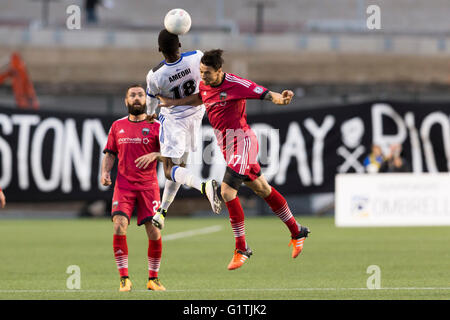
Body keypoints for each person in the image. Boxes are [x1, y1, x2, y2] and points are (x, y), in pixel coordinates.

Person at [157, 49, 310, 270]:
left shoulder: (235, 84)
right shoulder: (204, 83)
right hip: (226, 145)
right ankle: (297, 231)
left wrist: (280, 99)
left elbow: (265, 93)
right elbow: (201, 97)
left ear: (219, 71)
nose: (203, 77)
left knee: (227, 191)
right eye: (201, 72)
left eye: (207, 73)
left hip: (242, 140)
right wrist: (174, 102)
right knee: (262, 188)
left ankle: (242, 248)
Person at [146, 29, 221, 230]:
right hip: (196, 118)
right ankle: (162, 211)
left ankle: (204, 186)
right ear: (179, 45)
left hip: (173, 122)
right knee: (180, 169)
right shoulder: (196, 57)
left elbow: (151, 102)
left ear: (159, 49)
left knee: (170, 170)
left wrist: (150, 114)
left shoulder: (155, 75)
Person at [101, 84, 165, 292]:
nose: (137, 98)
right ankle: (124, 279)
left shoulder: (157, 125)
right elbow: (110, 153)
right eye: (132, 95)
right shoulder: (117, 126)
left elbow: (173, 155)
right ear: (126, 101)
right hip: (124, 186)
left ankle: (153, 279)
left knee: (154, 231)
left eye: (140, 95)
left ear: (146, 100)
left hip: (149, 187)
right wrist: (105, 172)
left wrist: (156, 155)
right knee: (119, 225)